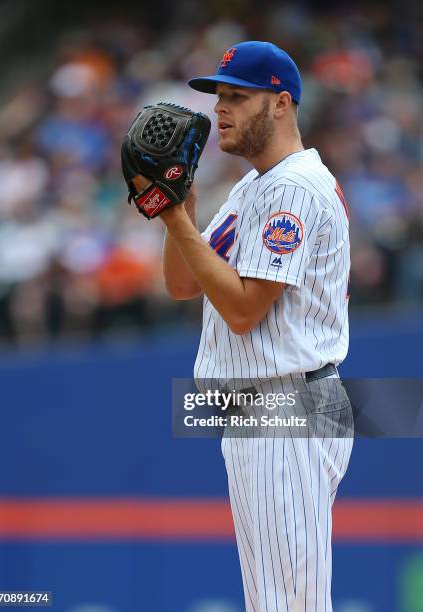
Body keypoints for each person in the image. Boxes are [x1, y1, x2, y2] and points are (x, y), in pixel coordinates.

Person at [160, 41, 353, 611]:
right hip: (270, 409)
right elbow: (183, 284)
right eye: (219, 97)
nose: (221, 109)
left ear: (282, 104)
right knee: (280, 596)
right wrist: (183, 208)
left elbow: (243, 311)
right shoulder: (255, 186)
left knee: (287, 602)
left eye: (238, 97)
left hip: (285, 408)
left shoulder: (291, 186)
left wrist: (174, 219)